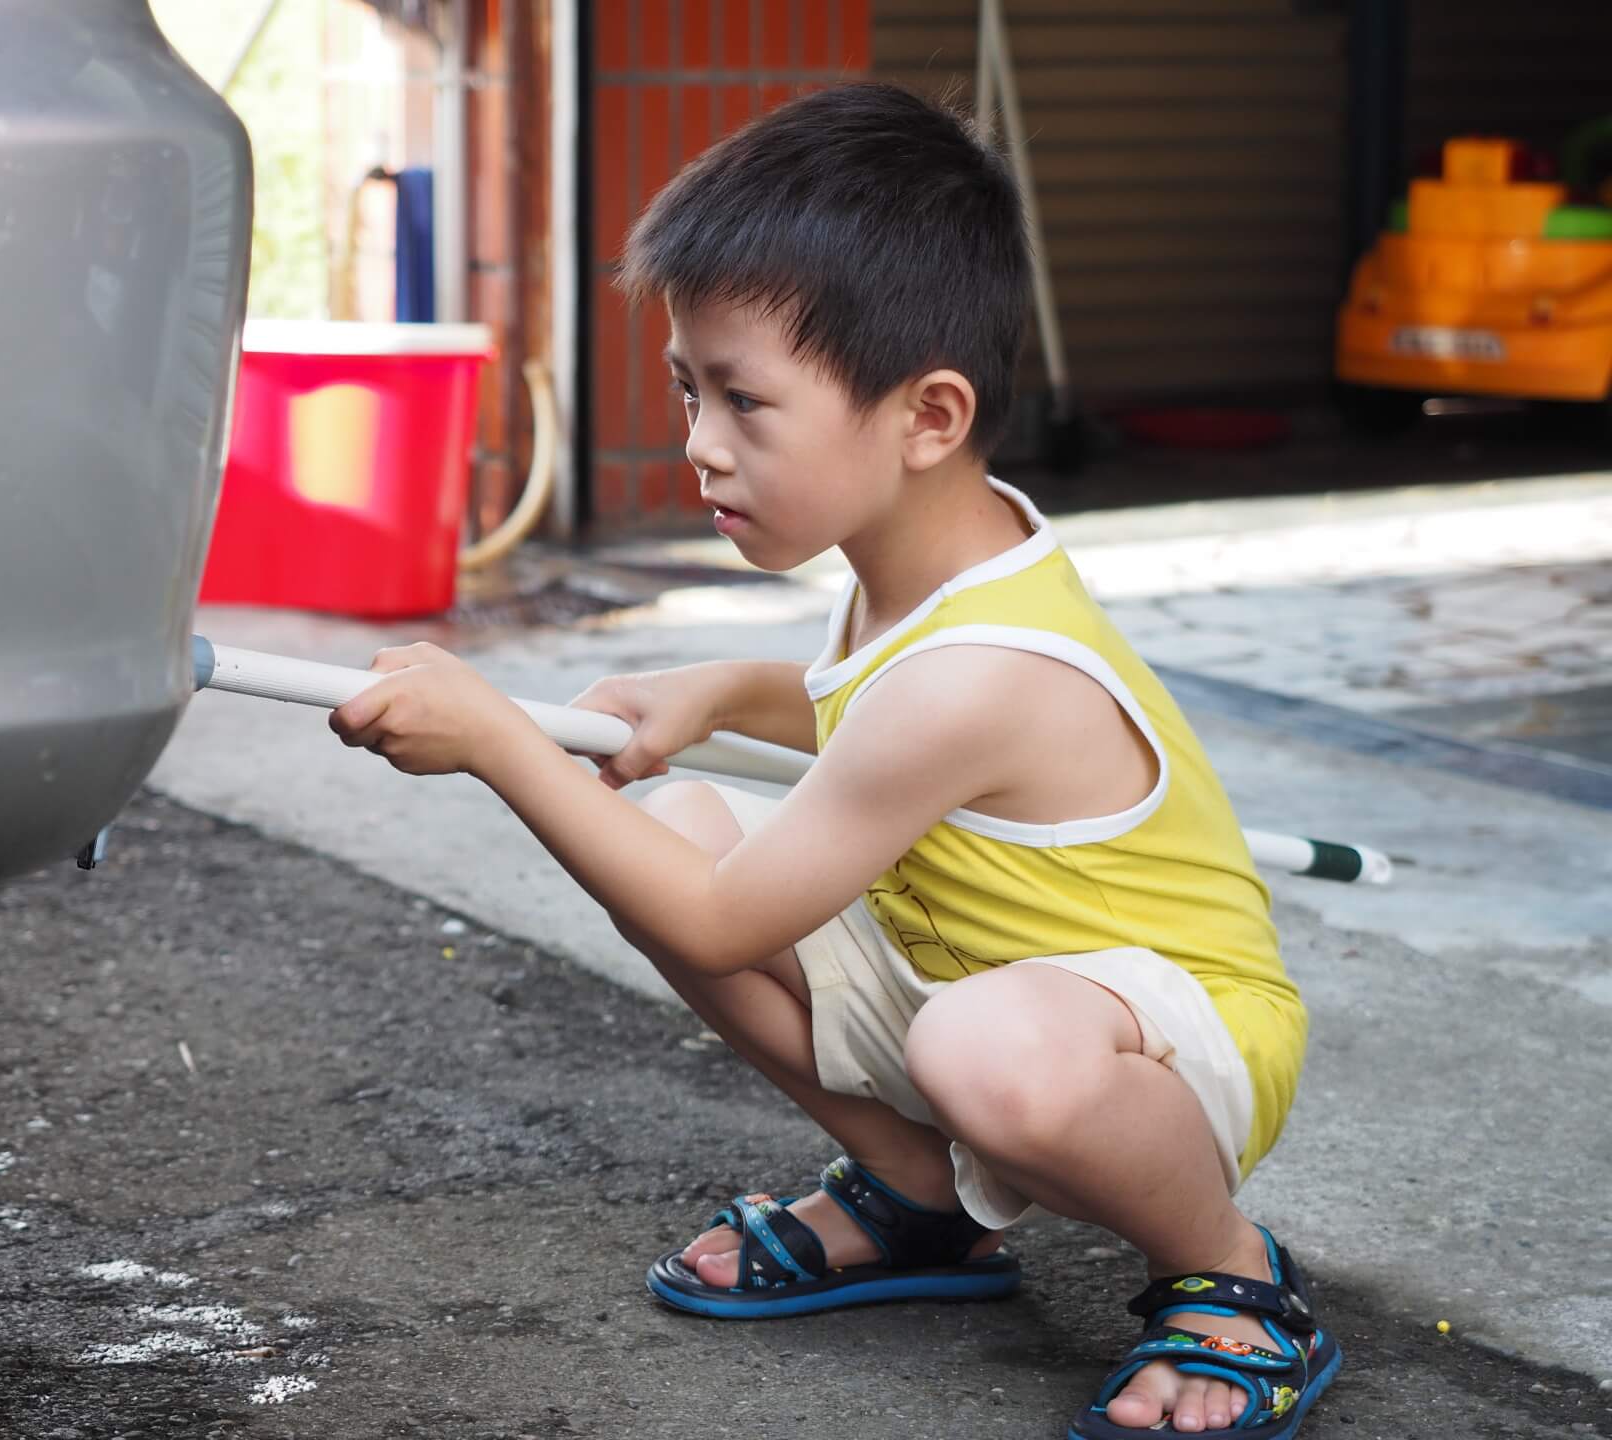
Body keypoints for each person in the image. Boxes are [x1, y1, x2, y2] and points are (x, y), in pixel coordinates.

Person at [327, 82, 1341, 1438]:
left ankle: (1229, 1271)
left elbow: (739, 902)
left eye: (746, 402)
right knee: (681, 825)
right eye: (690, 390)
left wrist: (502, 745)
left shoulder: (981, 666)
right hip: (974, 992)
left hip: (1162, 1042)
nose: (699, 445)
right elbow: (865, 715)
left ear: (927, 418)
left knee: (859, 973)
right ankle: (920, 1199)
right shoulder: (925, 560)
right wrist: (729, 690)